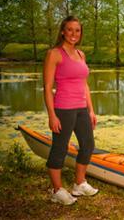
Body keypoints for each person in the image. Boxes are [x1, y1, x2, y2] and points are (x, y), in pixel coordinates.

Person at [43, 16, 98, 205]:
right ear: (62, 31)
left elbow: (85, 85)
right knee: (59, 148)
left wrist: (91, 110)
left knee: (88, 145)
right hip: (63, 109)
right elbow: (48, 86)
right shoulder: (55, 54)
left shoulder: (81, 55)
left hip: (82, 108)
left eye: (78, 30)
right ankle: (56, 190)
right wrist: (52, 115)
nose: (74, 34)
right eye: (70, 29)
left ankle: (79, 183)